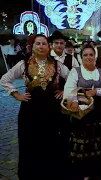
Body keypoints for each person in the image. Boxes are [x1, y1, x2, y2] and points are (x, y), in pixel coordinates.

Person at [0, 34, 70, 179]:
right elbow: (5, 79)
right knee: (30, 142)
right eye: (38, 44)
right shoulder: (23, 64)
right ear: (33, 46)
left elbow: (72, 79)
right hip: (30, 111)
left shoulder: (57, 65)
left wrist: (65, 91)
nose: (41, 46)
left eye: (44, 44)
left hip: (52, 111)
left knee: (51, 142)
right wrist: (16, 94)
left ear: (48, 46)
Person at [63, 45, 101, 179]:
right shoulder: (75, 71)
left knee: (99, 144)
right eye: (85, 55)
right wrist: (74, 101)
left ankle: (99, 172)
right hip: (82, 115)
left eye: (91, 54)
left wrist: (97, 91)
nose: (88, 57)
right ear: (81, 57)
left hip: (100, 115)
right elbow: (69, 89)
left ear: (95, 56)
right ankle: (83, 173)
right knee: (83, 145)